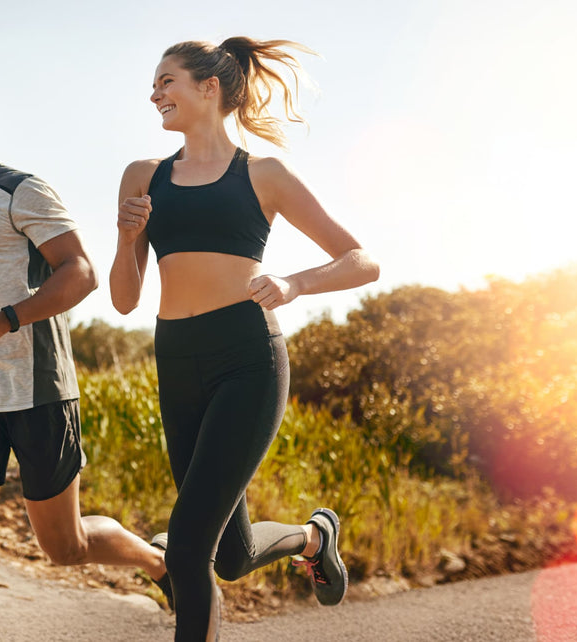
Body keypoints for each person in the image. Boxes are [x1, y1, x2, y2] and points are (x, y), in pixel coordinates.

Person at [110, 37, 380, 640]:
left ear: (209, 88)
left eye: (167, 81)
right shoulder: (143, 175)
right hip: (177, 359)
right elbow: (124, 299)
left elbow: (362, 261)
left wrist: (294, 282)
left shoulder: (264, 174)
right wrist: (127, 239)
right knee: (228, 557)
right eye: (154, 85)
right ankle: (316, 537)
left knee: (184, 552)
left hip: (247, 360)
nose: (155, 94)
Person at [0, 93, 168, 642]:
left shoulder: (20, 189)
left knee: (64, 548)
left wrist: (8, 319)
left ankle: (162, 564)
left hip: (38, 389)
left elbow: (81, 272)